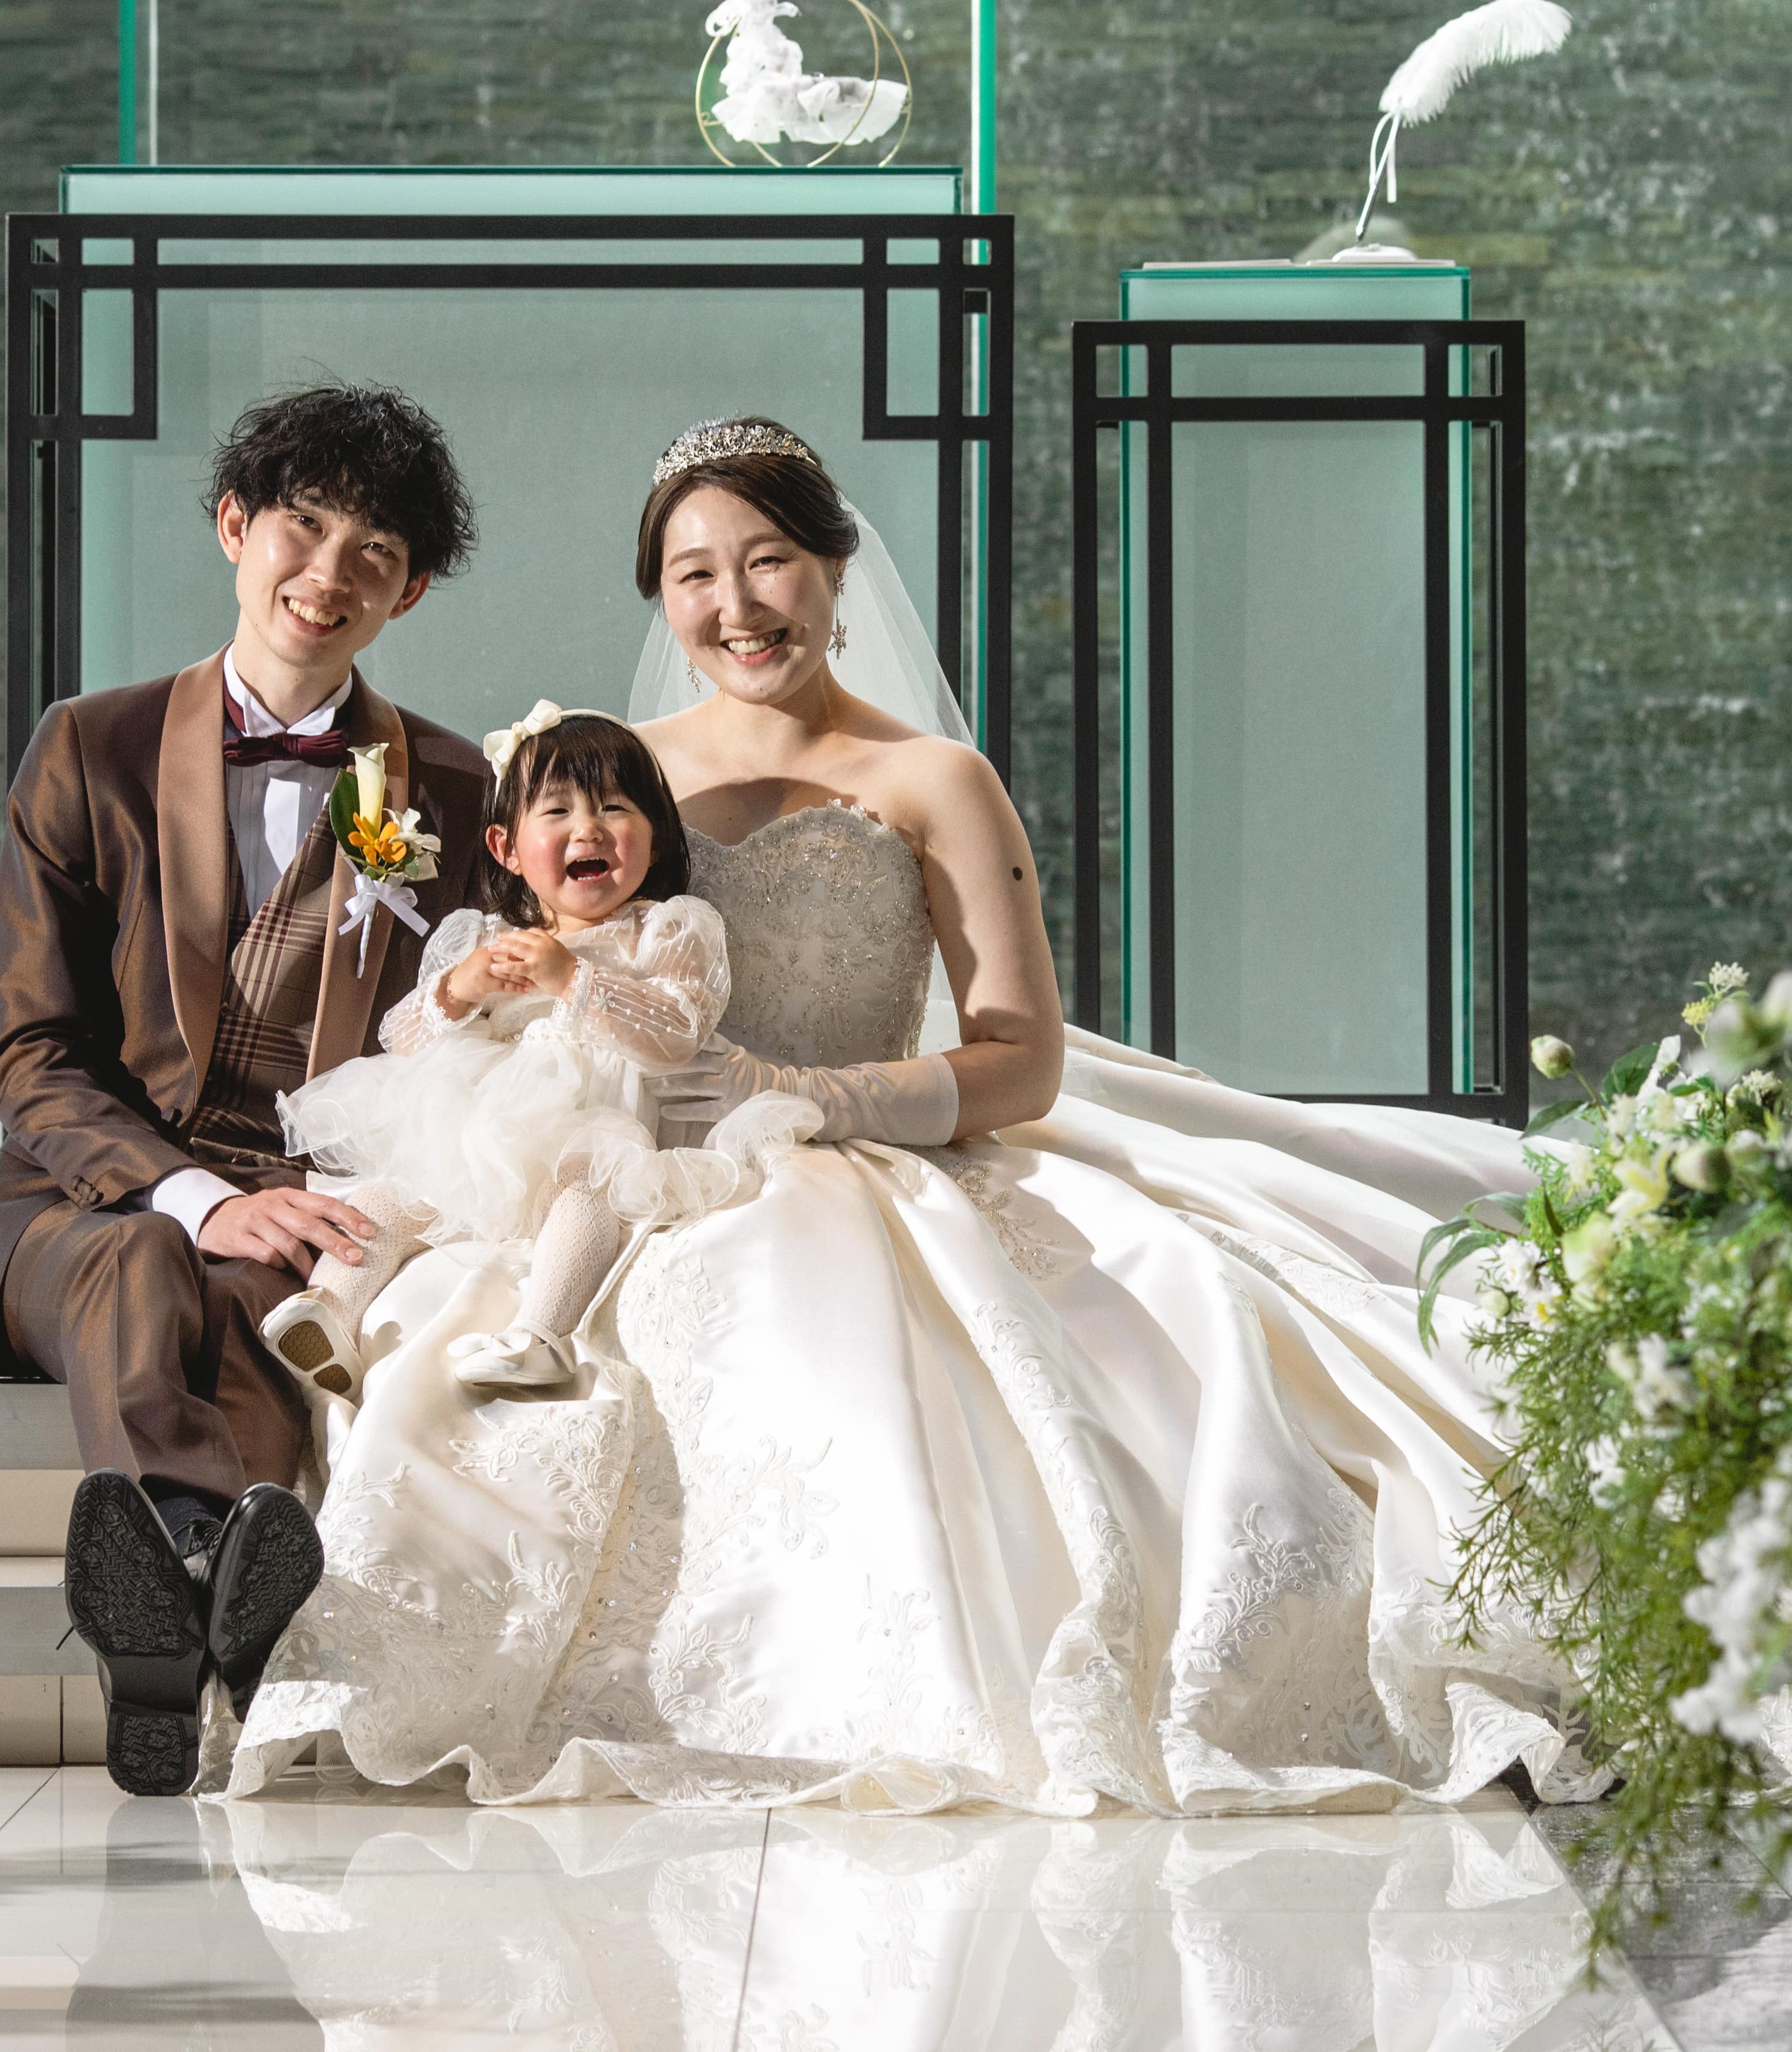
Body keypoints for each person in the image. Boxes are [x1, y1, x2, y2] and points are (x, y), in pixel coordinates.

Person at [225, 417, 1599, 1817]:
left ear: (835, 567)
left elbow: (1020, 1057)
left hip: (861, 1141)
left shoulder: (936, 779)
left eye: (768, 560)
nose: (735, 604)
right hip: (625, 1141)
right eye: (694, 575)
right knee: (448, 1320)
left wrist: (805, 1097)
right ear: (659, 598)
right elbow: (518, 963)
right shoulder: (611, 774)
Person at [0, 384, 491, 1796]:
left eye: (374, 550)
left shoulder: (447, 784)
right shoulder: (92, 747)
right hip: (92, 1197)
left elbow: (464, 1033)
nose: (327, 572)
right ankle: (216, 1567)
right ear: (232, 527)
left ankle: (167, 1615)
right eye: (300, 527)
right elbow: (33, 1054)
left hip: (322, 1190)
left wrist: (327, 1200)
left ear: (408, 590)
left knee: (269, 1296)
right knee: (152, 1262)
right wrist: (199, 1195)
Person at [260, 706, 783, 1406]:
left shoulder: (664, 929)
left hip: (604, 1128)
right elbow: (399, 1041)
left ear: (657, 839)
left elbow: (677, 1031)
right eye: (558, 811)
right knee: (389, 1198)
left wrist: (574, 979)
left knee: (588, 1186)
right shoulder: (486, 935)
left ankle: (541, 1335)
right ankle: (327, 1313)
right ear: (506, 848)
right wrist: (460, 989)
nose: (587, 829)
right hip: (486, 1135)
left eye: (614, 808)